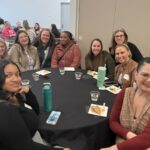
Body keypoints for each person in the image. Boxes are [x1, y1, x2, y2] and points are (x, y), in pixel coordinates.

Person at [0, 59, 70, 150]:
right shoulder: (5, 109)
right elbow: (26, 147)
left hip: (34, 137)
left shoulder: (12, 95)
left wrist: (28, 92)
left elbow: (34, 110)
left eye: (17, 74)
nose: (16, 79)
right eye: (8, 75)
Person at [101, 57, 150, 150]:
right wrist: (130, 136)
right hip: (122, 143)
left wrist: (113, 149)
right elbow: (113, 121)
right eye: (145, 75)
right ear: (136, 75)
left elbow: (148, 138)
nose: (149, 80)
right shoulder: (125, 93)